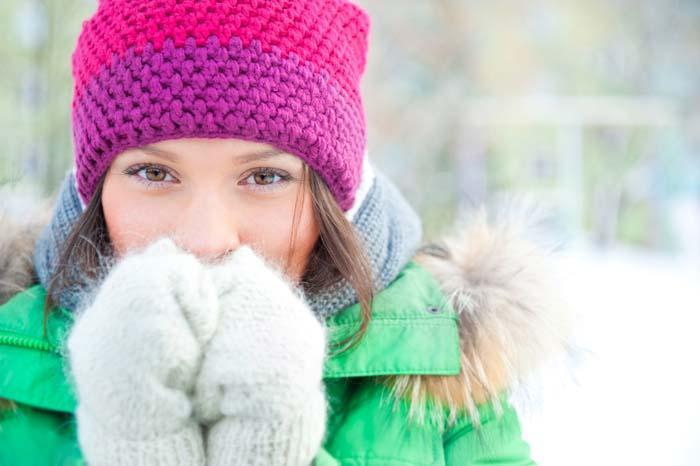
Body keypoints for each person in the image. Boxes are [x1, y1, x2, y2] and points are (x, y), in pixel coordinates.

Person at [0, 0, 573, 464]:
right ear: (91, 194)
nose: (204, 238)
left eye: (265, 176)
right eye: (154, 173)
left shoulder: (439, 373)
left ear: (333, 197)